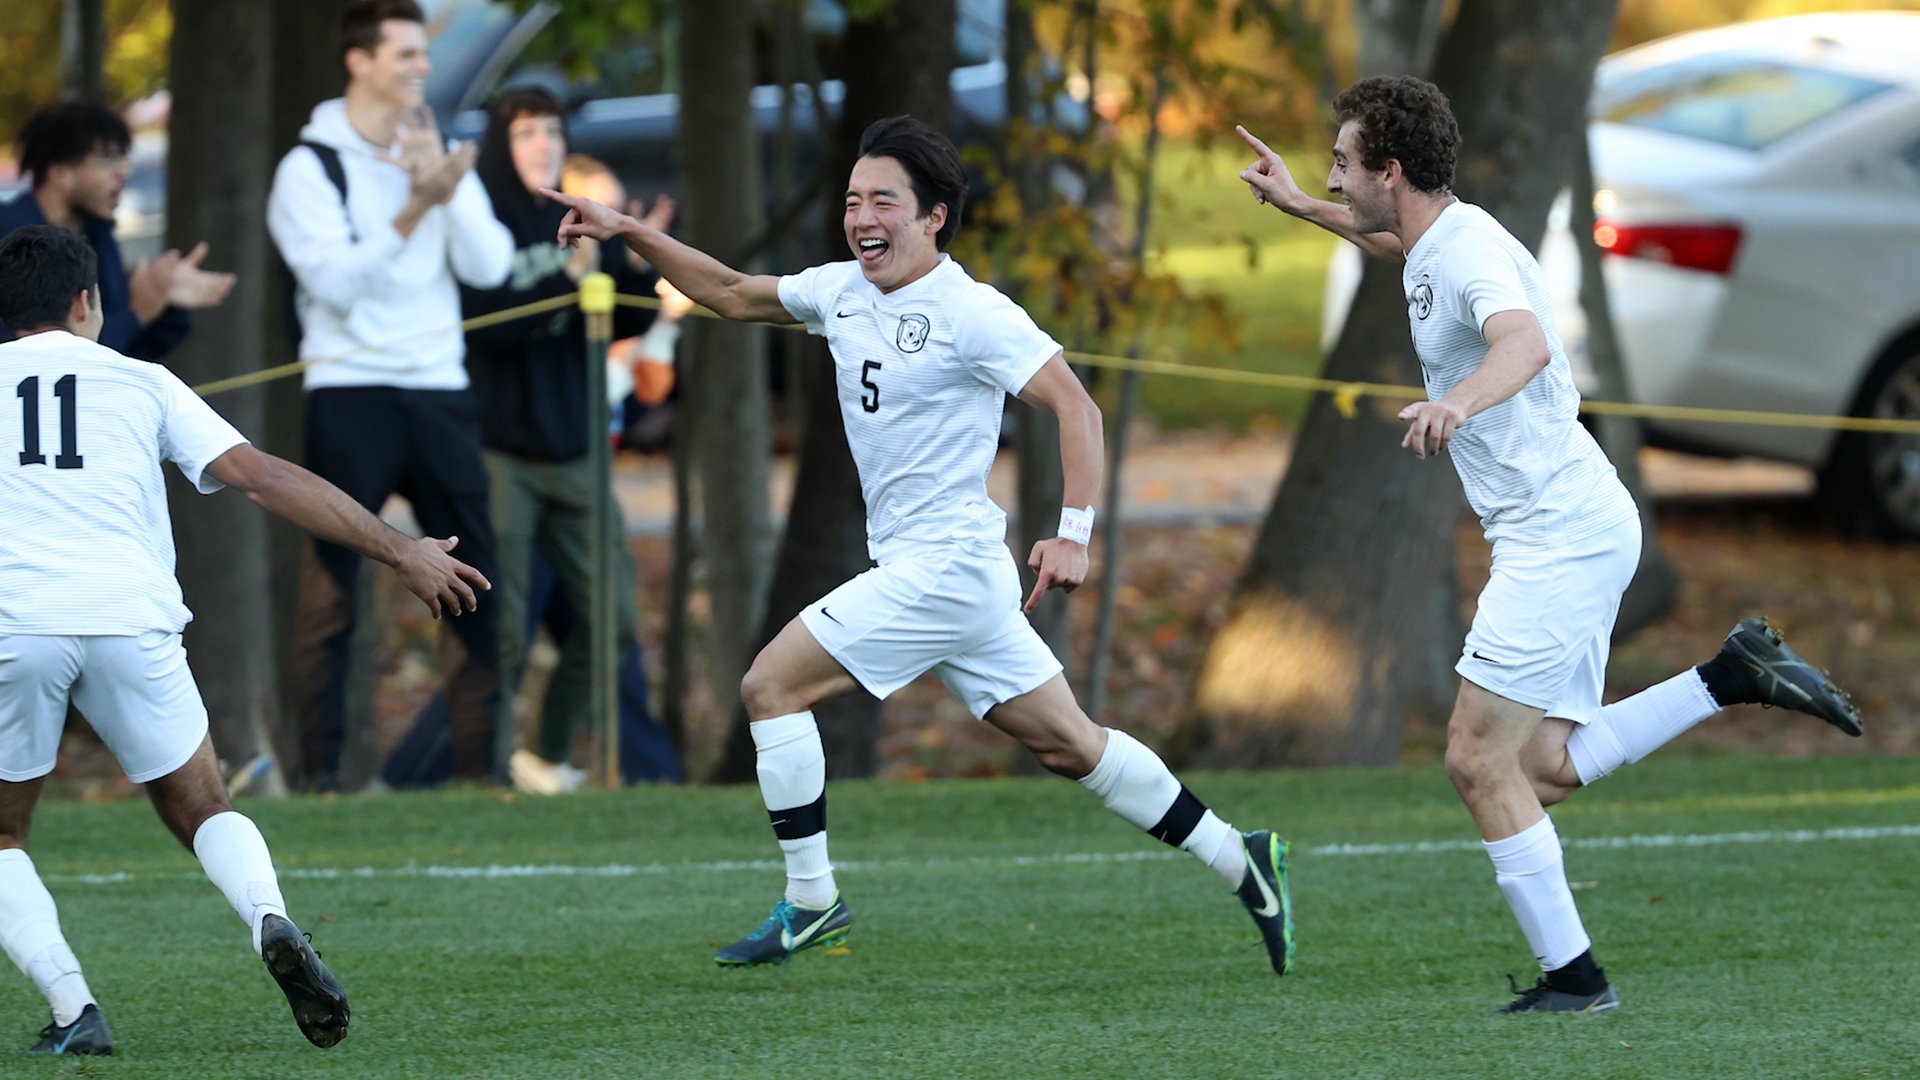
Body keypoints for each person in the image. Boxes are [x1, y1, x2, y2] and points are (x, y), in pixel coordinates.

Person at [542, 115, 1296, 974]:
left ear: (935, 216)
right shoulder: (840, 291)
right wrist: (629, 230)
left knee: (770, 686)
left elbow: (1077, 409)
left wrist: (1073, 535)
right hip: (939, 574)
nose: (863, 218)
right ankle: (1241, 857)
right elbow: (728, 291)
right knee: (1071, 745)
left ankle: (812, 901)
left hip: (947, 570)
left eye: (884, 202)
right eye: (852, 201)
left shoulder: (973, 312)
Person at [1235, 76, 1863, 1013]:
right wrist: (1299, 205)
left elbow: (1522, 343)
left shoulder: (1468, 253)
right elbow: (1390, 241)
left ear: (1389, 169)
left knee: (1474, 759)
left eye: (1340, 163)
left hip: (1557, 532)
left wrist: (1456, 403)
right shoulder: (1436, 238)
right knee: (1540, 768)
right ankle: (1730, 676)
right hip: (1572, 522)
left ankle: (1577, 981)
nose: (1332, 176)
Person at [0, 224, 489, 1053]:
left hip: (16, 622)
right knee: (202, 803)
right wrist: (400, 550)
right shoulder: (144, 379)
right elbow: (263, 478)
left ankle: (73, 1008)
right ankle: (270, 917)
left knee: (4, 831)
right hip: (132, 614)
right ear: (86, 303)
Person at [267, 0, 514, 791]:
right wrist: (415, 205)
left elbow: (490, 268)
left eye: (422, 54)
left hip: (440, 389)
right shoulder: (310, 166)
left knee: (473, 579)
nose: (422, 67)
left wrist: (445, 187)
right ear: (359, 60)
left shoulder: (430, 148)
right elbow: (334, 285)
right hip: (350, 391)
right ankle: (322, 780)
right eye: (406, 54)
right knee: (332, 594)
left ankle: (482, 776)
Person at [459, 90, 683, 790]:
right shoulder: (480, 224)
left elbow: (624, 319)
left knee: (613, 621)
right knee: (501, 628)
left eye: (553, 131)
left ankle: (543, 756)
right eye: (527, 132)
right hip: (501, 453)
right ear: (502, 145)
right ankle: (486, 776)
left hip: (579, 450)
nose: (543, 144)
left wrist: (638, 267)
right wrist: (565, 279)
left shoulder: (580, 221)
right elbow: (487, 321)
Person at [0, 102, 234, 358]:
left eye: (124, 158)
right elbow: (48, 355)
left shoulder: (96, 235)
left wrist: (165, 301)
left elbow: (125, 353)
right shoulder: (10, 242)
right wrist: (138, 312)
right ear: (60, 173)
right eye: (108, 159)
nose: (124, 172)